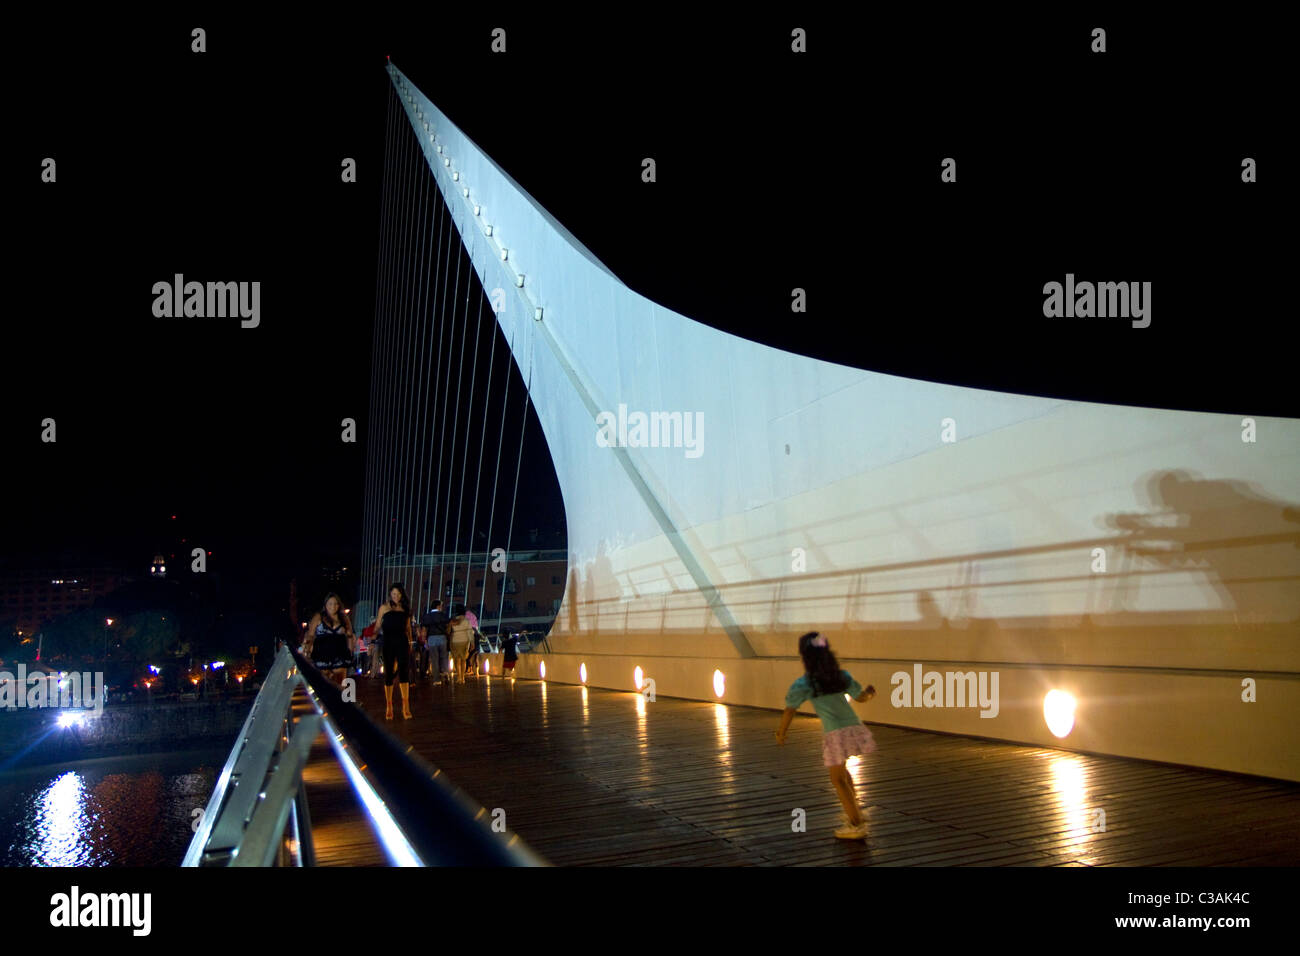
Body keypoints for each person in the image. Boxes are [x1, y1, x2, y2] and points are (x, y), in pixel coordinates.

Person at [775, 631, 877, 840]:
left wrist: (781, 732)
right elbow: (861, 697)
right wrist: (870, 693)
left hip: (834, 733)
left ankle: (856, 823)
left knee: (838, 780)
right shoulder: (841, 676)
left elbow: (790, 710)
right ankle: (855, 812)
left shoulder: (805, 684)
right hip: (853, 728)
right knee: (843, 774)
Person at [373, 583, 413, 719]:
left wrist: (411, 643)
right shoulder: (384, 608)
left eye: (398, 594)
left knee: (404, 672)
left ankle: (405, 706)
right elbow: (378, 625)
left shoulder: (405, 609)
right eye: (394, 594)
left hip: (402, 642)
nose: (396, 596)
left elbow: (408, 628)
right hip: (388, 641)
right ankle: (389, 706)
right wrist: (372, 639)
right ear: (390, 594)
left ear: (402, 595)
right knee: (389, 673)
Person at [302, 593, 355, 687]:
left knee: (340, 684)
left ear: (339, 605)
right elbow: (311, 635)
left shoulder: (344, 618)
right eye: (330, 604)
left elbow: (350, 635)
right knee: (322, 683)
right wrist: (307, 650)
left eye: (335, 604)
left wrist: (351, 651)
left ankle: (340, 701)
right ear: (325, 605)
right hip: (321, 654)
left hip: (340, 654)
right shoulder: (319, 617)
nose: (333, 606)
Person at [420, 600, 450, 684]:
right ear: (438, 606)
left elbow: (424, 629)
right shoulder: (443, 615)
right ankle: (445, 672)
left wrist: (425, 640)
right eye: (441, 606)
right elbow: (448, 626)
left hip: (431, 638)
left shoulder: (427, 616)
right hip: (442, 637)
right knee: (444, 657)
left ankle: (436, 680)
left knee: (434, 659)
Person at [448, 604, 474, 683]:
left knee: (456, 660)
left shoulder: (453, 620)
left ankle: (458, 677)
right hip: (465, 641)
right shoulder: (467, 621)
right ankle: (463, 678)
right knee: (463, 660)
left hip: (455, 640)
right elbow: (470, 632)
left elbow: (449, 631)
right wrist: (472, 643)